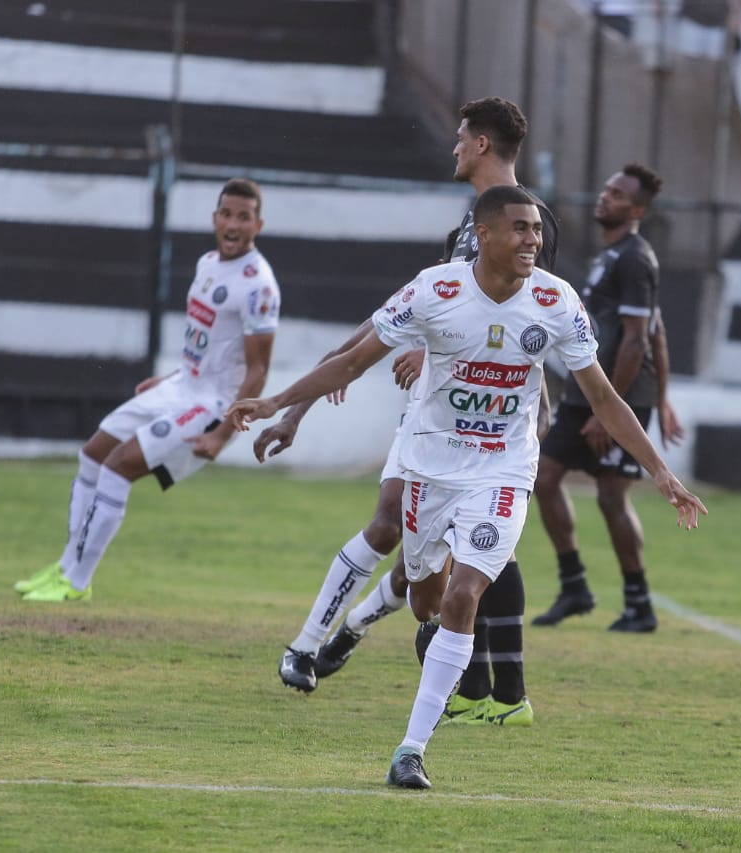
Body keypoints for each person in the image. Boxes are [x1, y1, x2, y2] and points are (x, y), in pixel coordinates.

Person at [227, 185, 708, 789]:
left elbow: (604, 397)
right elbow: (352, 361)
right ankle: (368, 627)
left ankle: (411, 749)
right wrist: (280, 402)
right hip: (429, 467)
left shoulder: (556, 302)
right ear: (483, 236)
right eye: (520, 229)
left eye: (537, 229)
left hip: (503, 469)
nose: (534, 239)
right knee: (425, 598)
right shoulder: (436, 289)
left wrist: (661, 472)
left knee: (464, 595)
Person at [266, 98, 557, 730]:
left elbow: (529, 325)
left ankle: (349, 645)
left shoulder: (519, 219)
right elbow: (410, 312)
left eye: (460, 138)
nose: (453, 147)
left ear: (480, 144)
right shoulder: (472, 223)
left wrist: (531, 406)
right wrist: (302, 399)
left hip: (482, 432)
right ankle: (323, 644)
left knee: (439, 548)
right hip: (436, 416)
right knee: (413, 543)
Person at [11, 179, 279, 601]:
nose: (233, 224)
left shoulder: (258, 286)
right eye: (226, 214)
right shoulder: (208, 262)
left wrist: (222, 434)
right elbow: (209, 342)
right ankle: (65, 567)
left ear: (257, 225)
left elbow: (258, 369)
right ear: (215, 218)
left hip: (212, 403)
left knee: (119, 466)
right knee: (93, 454)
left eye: (243, 217)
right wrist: (173, 378)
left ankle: (77, 582)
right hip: (182, 386)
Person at [531, 163, 684, 633]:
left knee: (611, 497)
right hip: (589, 392)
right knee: (545, 476)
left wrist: (617, 406)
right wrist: (665, 400)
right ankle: (574, 584)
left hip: (617, 394)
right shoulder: (610, 257)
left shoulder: (637, 259)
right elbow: (654, 332)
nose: (605, 197)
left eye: (617, 194)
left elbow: (640, 339)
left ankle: (639, 603)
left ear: (637, 210)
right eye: (606, 188)